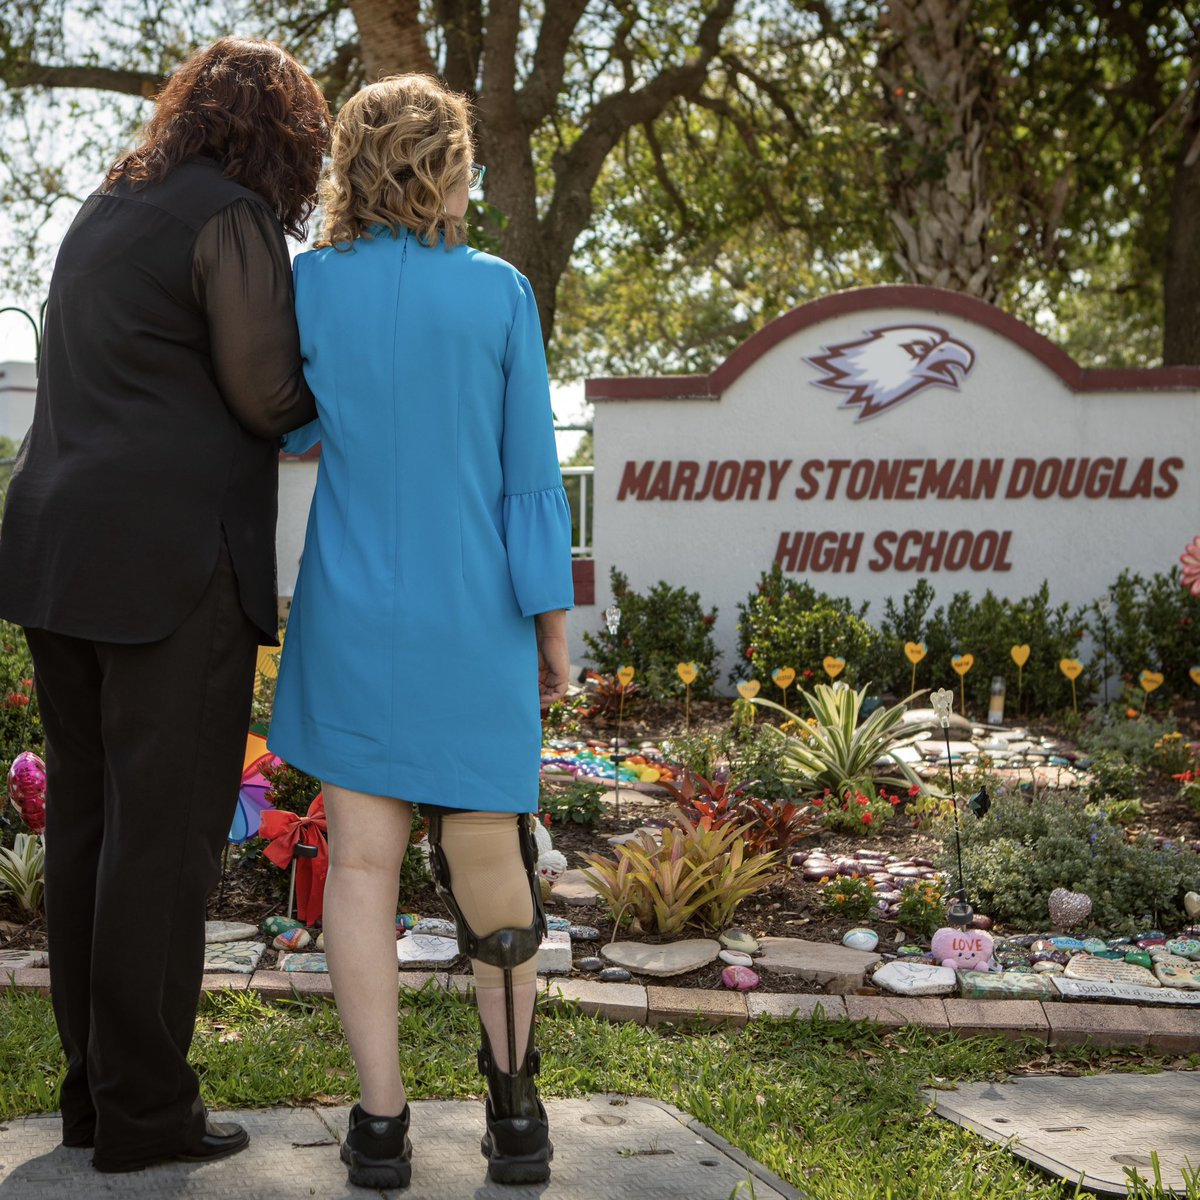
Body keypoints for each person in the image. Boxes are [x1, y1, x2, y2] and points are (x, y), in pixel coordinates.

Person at [0, 39, 330, 1172]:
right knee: (164, 842)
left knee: (92, 825)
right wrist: (350, 391)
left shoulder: (106, 205)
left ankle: (97, 1100)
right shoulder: (231, 218)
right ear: (281, 134)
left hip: (59, 548)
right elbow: (267, 392)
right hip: (171, 564)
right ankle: (145, 1115)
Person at [267, 73, 573, 1189]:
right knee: (492, 862)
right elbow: (530, 479)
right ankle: (519, 1121)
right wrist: (550, 624)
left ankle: (382, 1128)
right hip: (474, 616)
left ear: (356, 164)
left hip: (352, 615)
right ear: (443, 166)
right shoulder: (499, 293)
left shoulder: (312, 288)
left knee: (360, 870)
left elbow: (290, 429)